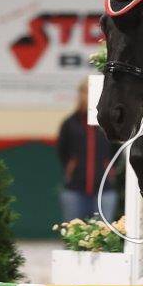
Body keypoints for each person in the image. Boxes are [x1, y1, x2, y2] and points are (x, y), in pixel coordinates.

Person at [56, 79, 119, 221]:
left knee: (103, 232)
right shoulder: (69, 123)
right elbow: (62, 151)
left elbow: (116, 149)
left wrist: (109, 169)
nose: (88, 96)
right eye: (85, 92)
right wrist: (71, 168)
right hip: (74, 189)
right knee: (74, 232)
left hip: (104, 190)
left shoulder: (109, 124)